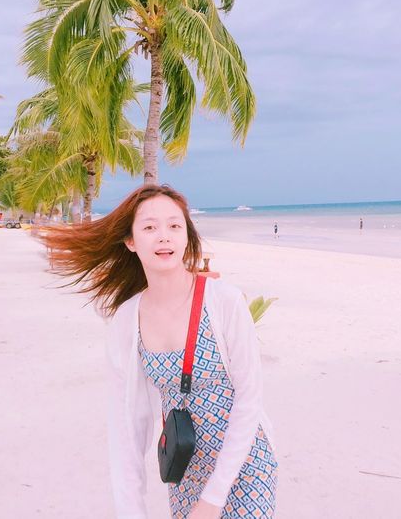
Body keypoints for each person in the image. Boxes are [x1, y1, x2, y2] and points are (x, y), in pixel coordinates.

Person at [41, 185, 277, 519]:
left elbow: (249, 398)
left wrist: (214, 497)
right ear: (131, 241)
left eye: (174, 225)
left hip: (245, 461)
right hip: (184, 467)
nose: (164, 236)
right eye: (150, 227)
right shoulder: (128, 320)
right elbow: (127, 429)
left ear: (186, 235)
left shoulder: (224, 300)